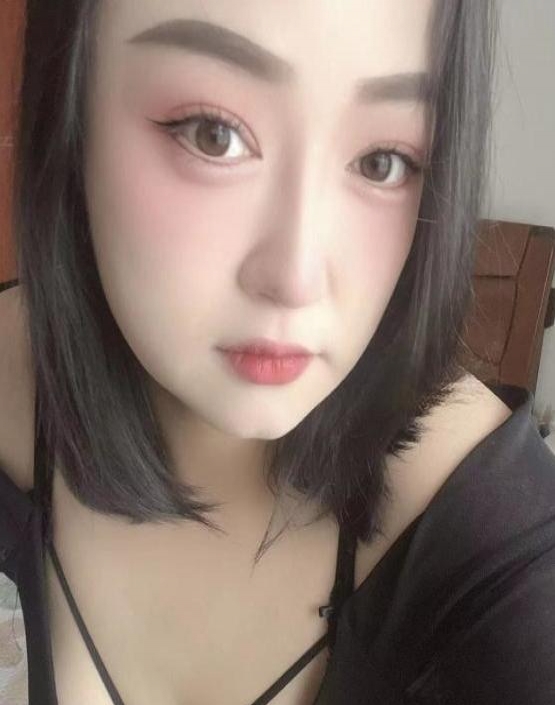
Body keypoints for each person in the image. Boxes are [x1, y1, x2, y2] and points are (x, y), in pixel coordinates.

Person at [1, 0, 555, 703]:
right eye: (213, 134)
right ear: (70, 102)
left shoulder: (496, 542)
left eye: (382, 161)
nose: (296, 278)